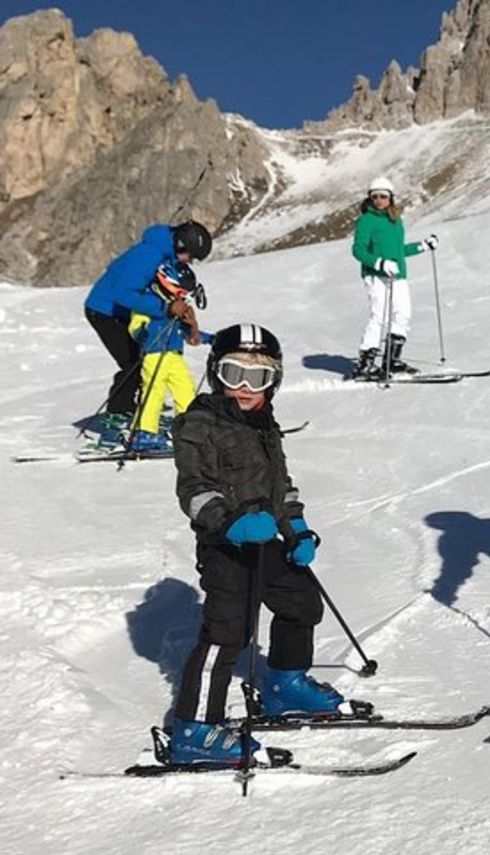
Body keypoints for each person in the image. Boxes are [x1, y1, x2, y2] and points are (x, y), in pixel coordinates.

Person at [167, 323, 343, 765]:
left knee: (302, 602)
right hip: (225, 545)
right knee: (229, 632)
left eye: (258, 377)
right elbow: (194, 491)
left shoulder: (266, 425)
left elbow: (280, 486)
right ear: (215, 373)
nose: (245, 388)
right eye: (233, 374)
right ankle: (195, 730)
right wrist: (231, 524)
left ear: (275, 381)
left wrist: (297, 529)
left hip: (268, 541)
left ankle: (284, 683)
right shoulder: (199, 424)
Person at [83, 221, 211, 429]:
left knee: (142, 361)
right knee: (134, 363)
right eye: (191, 255)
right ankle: (119, 415)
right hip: (105, 311)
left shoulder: (163, 252)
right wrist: (165, 308)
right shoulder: (149, 255)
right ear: (180, 245)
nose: (190, 261)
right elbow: (123, 293)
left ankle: (138, 413)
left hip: (125, 310)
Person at [350, 176, 438, 378]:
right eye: (375, 197)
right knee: (379, 316)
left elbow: (398, 251)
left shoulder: (395, 221)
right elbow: (358, 251)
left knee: (403, 315)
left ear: (390, 197)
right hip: (375, 276)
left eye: (383, 196)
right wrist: (380, 263)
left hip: (398, 275)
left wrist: (422, 246)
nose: (379, 200)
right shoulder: (366, 221)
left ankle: (392, 360)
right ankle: (365, 364)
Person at [124, 260, 211, 452]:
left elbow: (188, 335)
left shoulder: (178, 306)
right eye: (182, 291)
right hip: (154, 354)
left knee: (186, 389)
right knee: (154, 391)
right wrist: (156, 324)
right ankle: (144, 432)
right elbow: (136, 327)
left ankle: (189, 428)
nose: (184, 296)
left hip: (173, 355)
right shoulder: (149, 299)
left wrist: (206, 336)